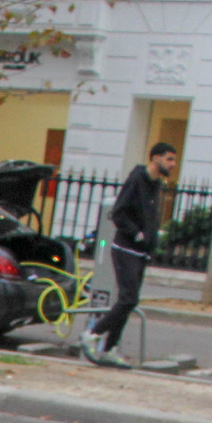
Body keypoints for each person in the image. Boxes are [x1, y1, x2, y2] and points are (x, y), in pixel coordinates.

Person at [84, 140, 176, 366]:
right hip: (126, 249)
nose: (173, 164)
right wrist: (137, 234)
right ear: (155, 158)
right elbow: (118, 213)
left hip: (141, 252)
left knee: (129, 302)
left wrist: (152, 238)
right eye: (169, 159)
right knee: (128, 298)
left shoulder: (156, 184)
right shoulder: (137, 180)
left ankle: (109, 348)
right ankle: (92, 334)